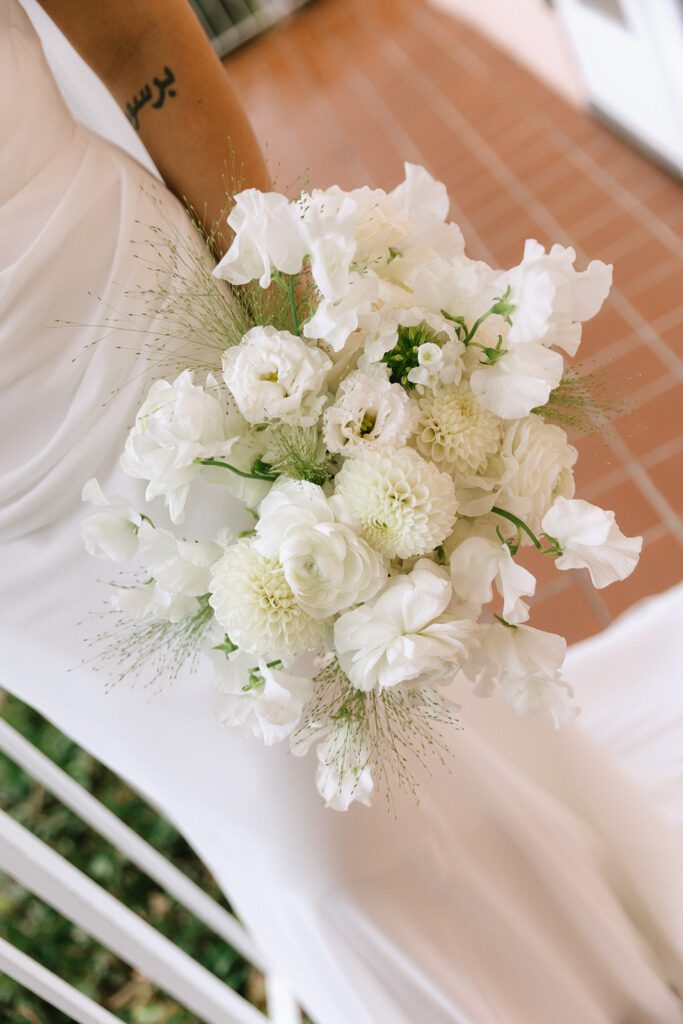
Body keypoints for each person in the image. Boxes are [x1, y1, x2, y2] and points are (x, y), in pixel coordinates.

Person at [2, 2, 683, 1021]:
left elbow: (141, 43)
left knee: (356, 789)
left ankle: (594, 953)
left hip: (143, 364)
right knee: (287, 837)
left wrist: (277, 314)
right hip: (19, 571)